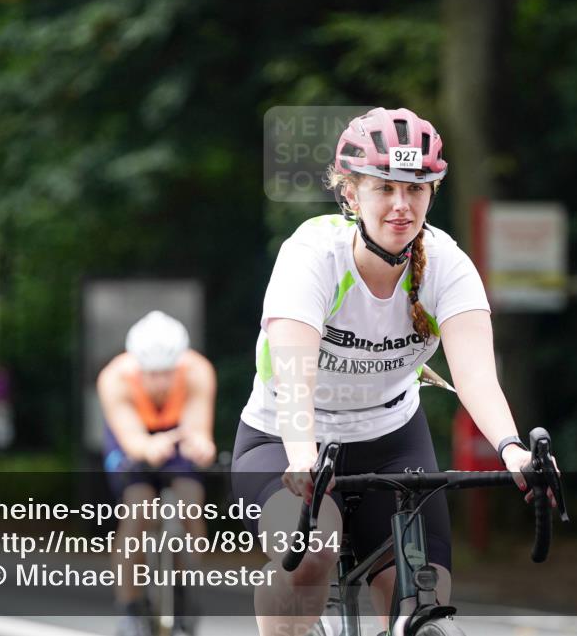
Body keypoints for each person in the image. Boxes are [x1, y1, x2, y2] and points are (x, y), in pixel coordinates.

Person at [231, 108, 550, 636]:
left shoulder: (446, 264)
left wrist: (513, 449)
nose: (402, 206)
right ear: (351, 195)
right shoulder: (312, 255)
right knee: (310, 555)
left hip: (391, 437)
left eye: (417, 189)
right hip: (282, 436)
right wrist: (302, 458)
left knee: (423, 595)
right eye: (385, 188)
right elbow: (293, 377)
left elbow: (475, 376)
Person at [98, 310, 217, 636]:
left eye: (167, 372)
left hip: (175, 434)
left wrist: (200, 445)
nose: (160, 382)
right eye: (151, 373)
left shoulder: (197, 371)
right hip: (133, 439)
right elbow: (132, 439)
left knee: (191, 500)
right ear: (136, 365)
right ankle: (130, 607)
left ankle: (186, 586)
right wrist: (147, 448)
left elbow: (198, 428)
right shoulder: (114, 378)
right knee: (138, 508)